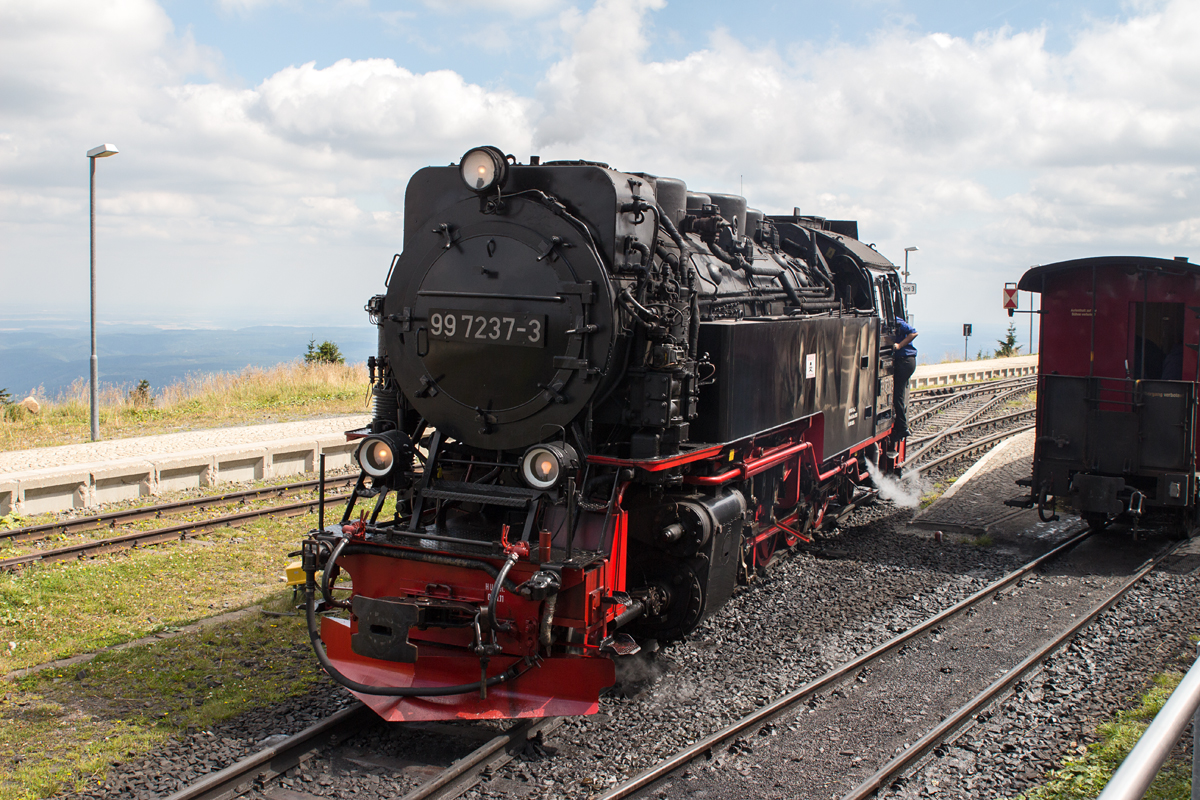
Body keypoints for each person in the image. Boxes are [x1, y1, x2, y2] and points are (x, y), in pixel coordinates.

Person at [892, 315, 918, 440]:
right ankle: (901, 425)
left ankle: (902, 427)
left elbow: (913, 333)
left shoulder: (897, 321)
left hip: (905, 360)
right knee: (898, 394)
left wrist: (899, 345)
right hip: (905, 361)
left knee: (898, 395)